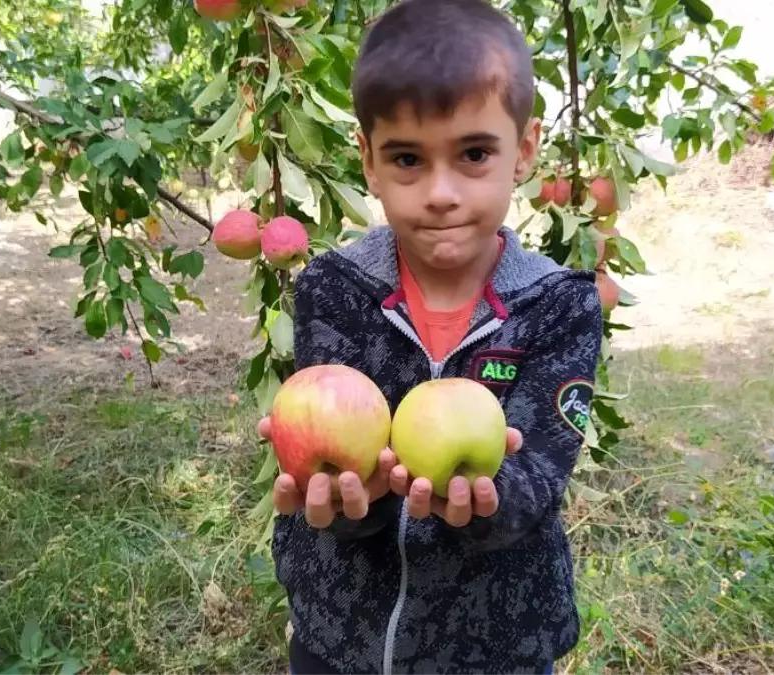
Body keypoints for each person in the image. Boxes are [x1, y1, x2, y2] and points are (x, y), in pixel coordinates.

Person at [256, 0, 604, 672]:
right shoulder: (335, 288)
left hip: (494, 643)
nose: (441, 192)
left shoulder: (559, 305)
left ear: (525, 149)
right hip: (341, 634)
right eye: (408, 158)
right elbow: (340, 465)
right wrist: (346, 503)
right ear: (369, 160)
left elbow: (537, 480)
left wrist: (483, 502)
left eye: (474, 153)